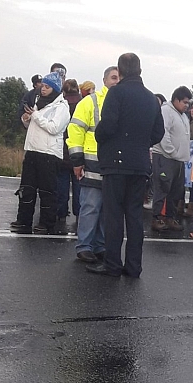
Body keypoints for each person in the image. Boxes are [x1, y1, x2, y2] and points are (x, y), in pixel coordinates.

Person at [87, 53, 164, 277]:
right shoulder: (151, 98)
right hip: (140, 163)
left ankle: (112, 263)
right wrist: (140, 144)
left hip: (116, 162)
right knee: (134, 215)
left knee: (113, 215)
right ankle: (133, 266)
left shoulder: (116, 93)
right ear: (140, 70)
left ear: (119, 72)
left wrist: (100, 137)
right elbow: (158, 132)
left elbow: (108, 126)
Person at [66, 66, 120, 263]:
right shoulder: (91, 101)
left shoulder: (122, 103)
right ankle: (84, 246)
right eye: (113, 77)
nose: (116, 81)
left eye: (119, 78)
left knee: (107, 208)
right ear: (104, 80)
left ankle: (99, 246)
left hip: (112, 164)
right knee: (91, 206)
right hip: (91, 162)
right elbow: (75, 130)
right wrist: (77, 160)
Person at [10, 71, 71, 234]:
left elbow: (54, 128)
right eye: (42, 86)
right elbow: (34, 125)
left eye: (47, 86)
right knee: (27, 188)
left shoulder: (62, 107)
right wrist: (26, 119)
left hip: (49, 153)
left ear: (55, 88)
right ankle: (23, 220)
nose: (42, 89)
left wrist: (35, 116)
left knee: (47, 191)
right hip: (32, 150)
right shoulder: (38, 103)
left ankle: (46, 222)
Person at [150, 86, 192, 232]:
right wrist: (172, 151)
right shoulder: (166, 111)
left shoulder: (183, 115)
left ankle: (170, 217)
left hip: (178, 160)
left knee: (175, 191)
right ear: (175, 100)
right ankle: (156, 218)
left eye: (188, 103)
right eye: (184, 102)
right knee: (162, 188)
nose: (187, 106)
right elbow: (163, 133)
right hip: (165, 158)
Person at [56, 79, 83, 234]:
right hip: (77, 152)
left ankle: (60, 214)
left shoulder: (61, 105)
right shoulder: (83, 105)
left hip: (62, 151)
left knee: (62, 186)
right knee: (79, 187)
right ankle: (79, 214)